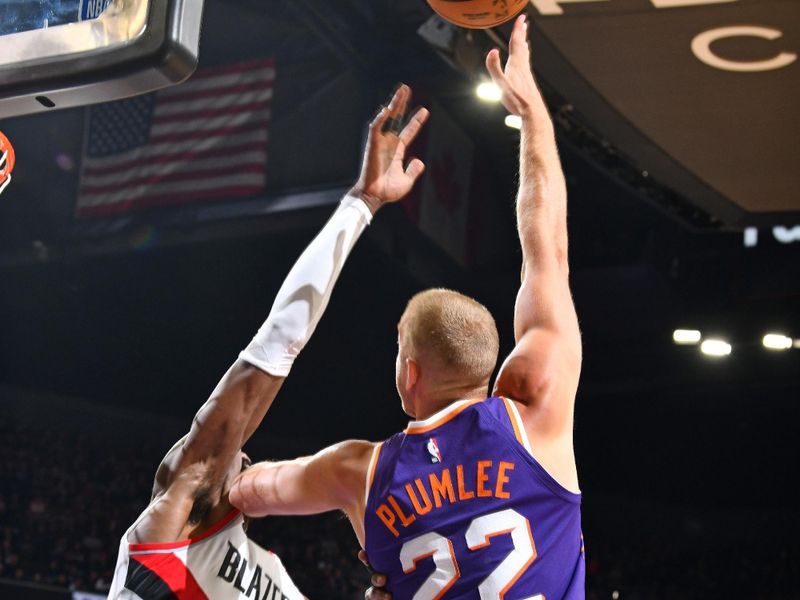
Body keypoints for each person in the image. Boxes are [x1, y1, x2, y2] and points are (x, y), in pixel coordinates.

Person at [230, 13, 584, 599]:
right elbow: (548, 247)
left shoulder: (359, 473)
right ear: (489, 365)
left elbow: (253, 491)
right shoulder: (536, 411)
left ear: (409, 372)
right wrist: (532, 118)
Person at [106, 84, 428, 599]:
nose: (245, 454)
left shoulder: (269, 574)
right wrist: (360, 205)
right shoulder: (176, 525)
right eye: (233, 451)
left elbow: (278, 344)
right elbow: (275, 346)